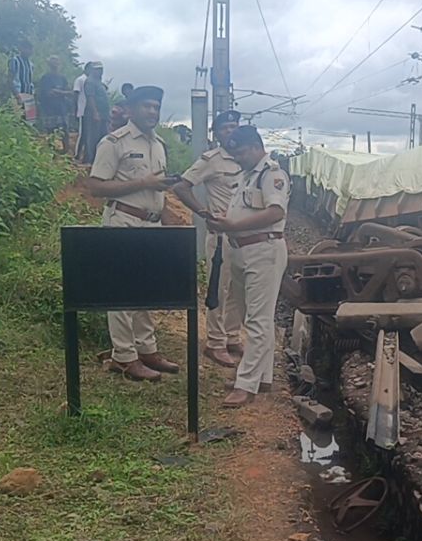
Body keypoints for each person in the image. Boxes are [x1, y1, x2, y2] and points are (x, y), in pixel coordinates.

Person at [84, 86, 180, 381]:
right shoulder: (114, 143)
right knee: (123, 292)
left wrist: (165, 215)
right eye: (147, 106)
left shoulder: (159, 144)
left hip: (151, 224)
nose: (152, 112)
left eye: (156, 107)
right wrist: (143, 182)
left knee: (145, 290)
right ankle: (124, 356)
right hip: (123, 221)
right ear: (131, 109)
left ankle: (146, 349)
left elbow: (154, 186)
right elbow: (96, 186)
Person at [206, 125, 290, 406]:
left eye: (241, 153)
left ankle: (246, 384)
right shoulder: (246, 176)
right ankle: (261, 377)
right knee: (250, 317)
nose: (237, 158)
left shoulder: (272, 174)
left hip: (263, 250)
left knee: (258, 320)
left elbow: (275, 211)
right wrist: (223, 219)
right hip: (243, 250)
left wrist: (234, 224)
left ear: (256, 147)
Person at [171, 110, 244, 368]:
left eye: (235, 126)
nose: (231, 131)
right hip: (221, 238)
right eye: (225, 127)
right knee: (219, 291)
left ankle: (232, 336)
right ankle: (214, 343)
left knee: (238, 290)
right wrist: (203, 212)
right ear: (216, 133)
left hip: (243, 239)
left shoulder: (245, 157)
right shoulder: (212, 160)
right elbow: (181, 185)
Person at [37, 55, 72, 152]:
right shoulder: (45, 78)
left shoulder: (62, 78)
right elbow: (48, 93)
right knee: (50, 131)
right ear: (49, 64)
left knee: (65, 131)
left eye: (57, 62)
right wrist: (62, 93)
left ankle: (66, 152)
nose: (55, 64)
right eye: (53, 62)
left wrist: (58, 92)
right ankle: (51, 153)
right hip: (49, 109)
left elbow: (70, 92)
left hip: (62, 108)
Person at [80, 62, 109, 164]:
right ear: (92, 70)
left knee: (103, 136)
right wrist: (95, 113)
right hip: (94, 114)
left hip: (104, 114)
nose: (100, 71)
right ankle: (90, 160)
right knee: (92, 137)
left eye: (101, 69)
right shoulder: (90, 82)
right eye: (97, 69)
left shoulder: (99, 82)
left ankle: (99, 159)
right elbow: (90, 98)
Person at [73, 62, 91, 160]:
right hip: (83, 110)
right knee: (83, 134)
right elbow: (76, 94)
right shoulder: (80, 80)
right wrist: (75, 110)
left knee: (89, 134)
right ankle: (77, 155)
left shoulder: (92, 81)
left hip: (90, 111)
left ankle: (86, 157)